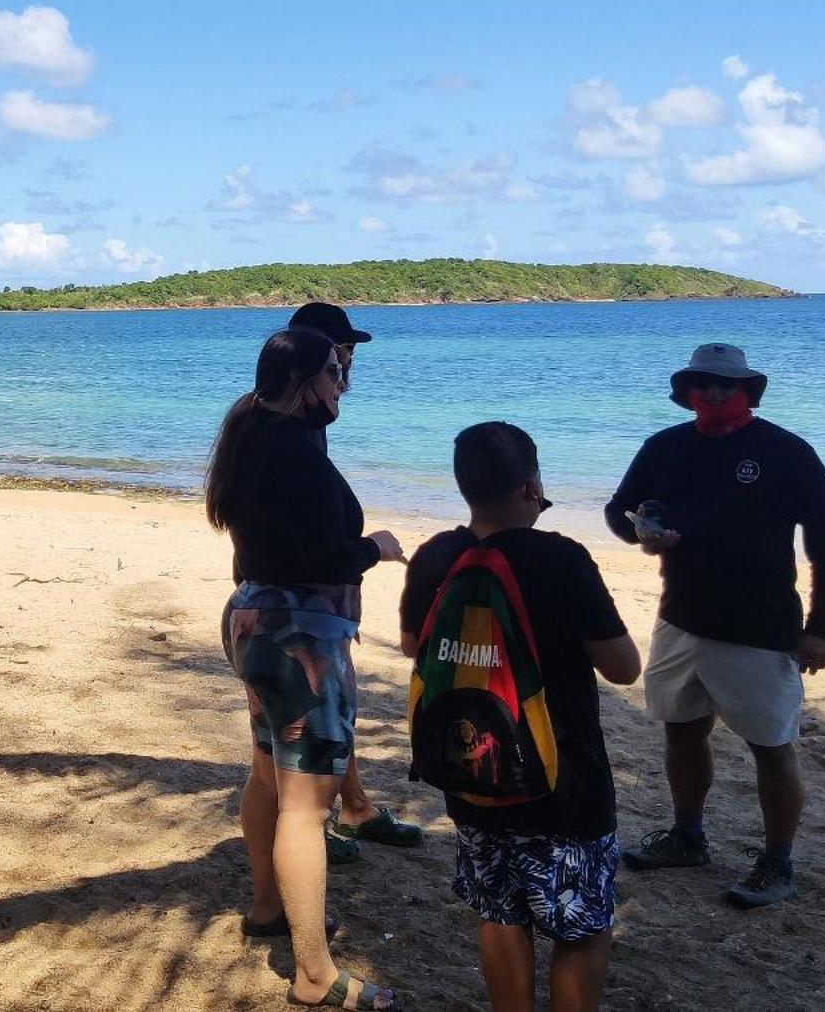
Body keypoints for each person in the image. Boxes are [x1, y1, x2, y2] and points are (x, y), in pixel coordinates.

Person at [401, 422, 641, 1012]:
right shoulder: (563, 558)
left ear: (464, 489)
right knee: (581, 928)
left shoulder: (437, 554)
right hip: (564, 782)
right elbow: (623, 667)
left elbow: (414, 645)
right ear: (532, 485)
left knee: (500, 913)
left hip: (473, 769)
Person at [602, 343, 825, 908]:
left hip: (760, 627)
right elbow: (619, 511)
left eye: (725, 384)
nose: (712, 393)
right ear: (686, 391)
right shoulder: (664, 446)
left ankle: (778, 862)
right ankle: (688, 836)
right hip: (680, 617)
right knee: (681, 731)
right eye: (702, 383)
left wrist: (822, 625)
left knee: (772, 748)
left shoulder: (785, 451)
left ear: (747, 391)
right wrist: (641, 532)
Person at [211, 327, 406, 1010]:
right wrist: (374, 548)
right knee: (304, 808)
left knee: (268, 774)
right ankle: (315, 974)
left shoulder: (252, 432)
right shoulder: (293, 450)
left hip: (254, 618)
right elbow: (317, 555)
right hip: (298, 637)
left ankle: (268, 907)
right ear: (303, 383)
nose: (340, 384)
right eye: (334, 372)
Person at [288, 301, 425, 860]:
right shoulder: (287, 429)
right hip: (299, 602)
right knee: (305, 715)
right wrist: (370, 550)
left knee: (330, 707)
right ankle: (314, 824)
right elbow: (303, 540)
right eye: (341, 355)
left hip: (310, 600)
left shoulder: (295, 421)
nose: (347, 365)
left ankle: (354, 806)